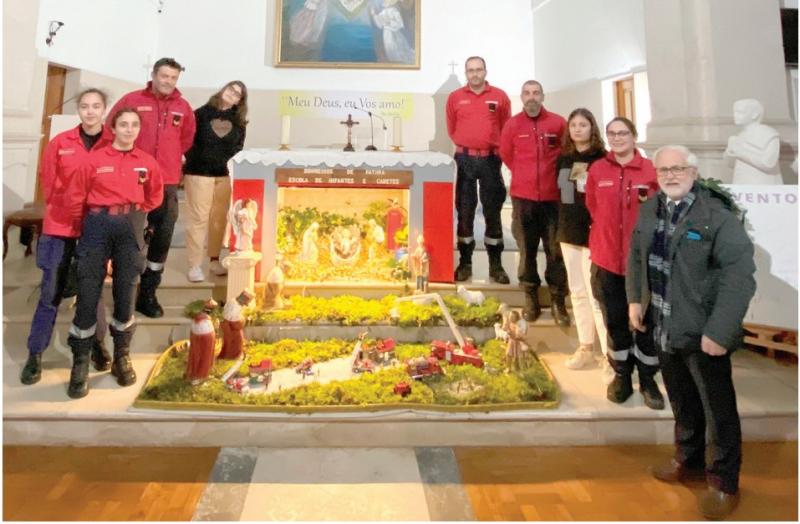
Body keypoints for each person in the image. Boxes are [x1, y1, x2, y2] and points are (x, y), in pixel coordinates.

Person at [627, 145, 756, 519]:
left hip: (704, 333)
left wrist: (719, 330)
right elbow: (636, 256)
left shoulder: (716, 216)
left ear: (694, 173)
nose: (670, 175)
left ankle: (723, 482)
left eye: (678, 169)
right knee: (683, 402)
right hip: (665, 326)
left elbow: (739, 279)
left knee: (719, 411)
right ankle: (689, 461)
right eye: (664, 169)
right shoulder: (651, 209)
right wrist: (636, 299)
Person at [64, 108, 164, 399]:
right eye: (124, 125)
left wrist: (137, 213)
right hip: (97, 224)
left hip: (130, 226)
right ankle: (81, 361)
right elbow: (75, 196)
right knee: (88, 289)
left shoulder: (147, 162)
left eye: (134, 125)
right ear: (113, 128)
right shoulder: (94, 160)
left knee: (126, 290)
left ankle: (121, 355)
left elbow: (155, 195)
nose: (129, 130)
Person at [20, 88, 112, 386]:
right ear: (78, 110)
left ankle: (95, 344)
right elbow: (50, 181)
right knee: (50, 293)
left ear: (104, 110)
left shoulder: (114, 145)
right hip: (60, 227)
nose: (90, 111)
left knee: (93, 292)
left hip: (95, 229)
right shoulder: (61, 143)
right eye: (84, 106)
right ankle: (35, 353)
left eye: (96, 106)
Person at [107, 57, 196, 317]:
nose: (168, 81)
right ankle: (123, 294)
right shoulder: (132, 101)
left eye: (173, 78)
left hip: (166, 181)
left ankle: (148, 293)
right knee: (128, 237)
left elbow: (187, 140)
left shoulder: (183, 107)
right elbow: (110, 130)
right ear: (154, 75)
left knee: (162, 238)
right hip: (132, 180)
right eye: (164, 76)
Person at [585, 117, 663, 409]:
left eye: (623, 133)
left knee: (645, 323)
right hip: (607, 259)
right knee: (615, 321)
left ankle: (647, 379)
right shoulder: (598, 170)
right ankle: (621, 375)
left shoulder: (649, 170)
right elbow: (593, 206)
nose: (617, 138)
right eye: (611, 134)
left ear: (634, 136)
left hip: (641, 263)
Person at [499, 80, 568, 324]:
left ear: (543, 96)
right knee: (526, 251)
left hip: (553, 200)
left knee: (555, 252)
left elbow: (566, 155)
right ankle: (531, 299)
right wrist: (524, 175)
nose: (532, 97)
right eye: (527, 93)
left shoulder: (558, 123)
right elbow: (506, 154)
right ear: (521, 97)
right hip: (523, 199)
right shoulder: (512, 125)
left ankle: (559, 301)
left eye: (536, 93)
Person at [555, 108, 611, 376]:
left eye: (583, 124)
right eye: (573, 124)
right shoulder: (564, 158)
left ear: (592, 128)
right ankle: (585, 347)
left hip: (594, 232)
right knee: (577, 290)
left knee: (596, 293)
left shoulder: (603, 159)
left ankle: (609, 354)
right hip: (569, 230)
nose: (578, 129)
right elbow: (564, 196)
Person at [446, 56, 511, 284]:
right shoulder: (455, 98)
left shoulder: (500, 96)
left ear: (485, 71)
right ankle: (465, 264)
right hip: (464, 159)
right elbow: (451, 128)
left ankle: (496, 266)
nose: (475, 74)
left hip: (491, 160)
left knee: (493, 212)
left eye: (478, 70)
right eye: (470, 70)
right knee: (464, 212)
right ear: (466, 73)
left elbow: (506, 128)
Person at [183, 80, 248, 282]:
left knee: (219, 219)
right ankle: (194, 265)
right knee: (198, 219)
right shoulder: (200, 114)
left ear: (240, 101)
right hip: (199, 173)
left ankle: (213, 259)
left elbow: (238, 146)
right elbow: (187, 141)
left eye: (237, 94)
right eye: (231, 89)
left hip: (223, 175)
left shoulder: (239, 121)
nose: (232, 94)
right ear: (223, 90)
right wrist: (199, 159)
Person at [724, 98, 782, 185]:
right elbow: (731, 164)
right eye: (735, 112)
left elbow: (768, 163)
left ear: (754, 114)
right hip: (742, 184)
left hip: (762, 184)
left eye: (740, 112)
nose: (735, 116)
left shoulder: (768, 133)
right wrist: (729, 151)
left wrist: (740, 151)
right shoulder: (739, 136)